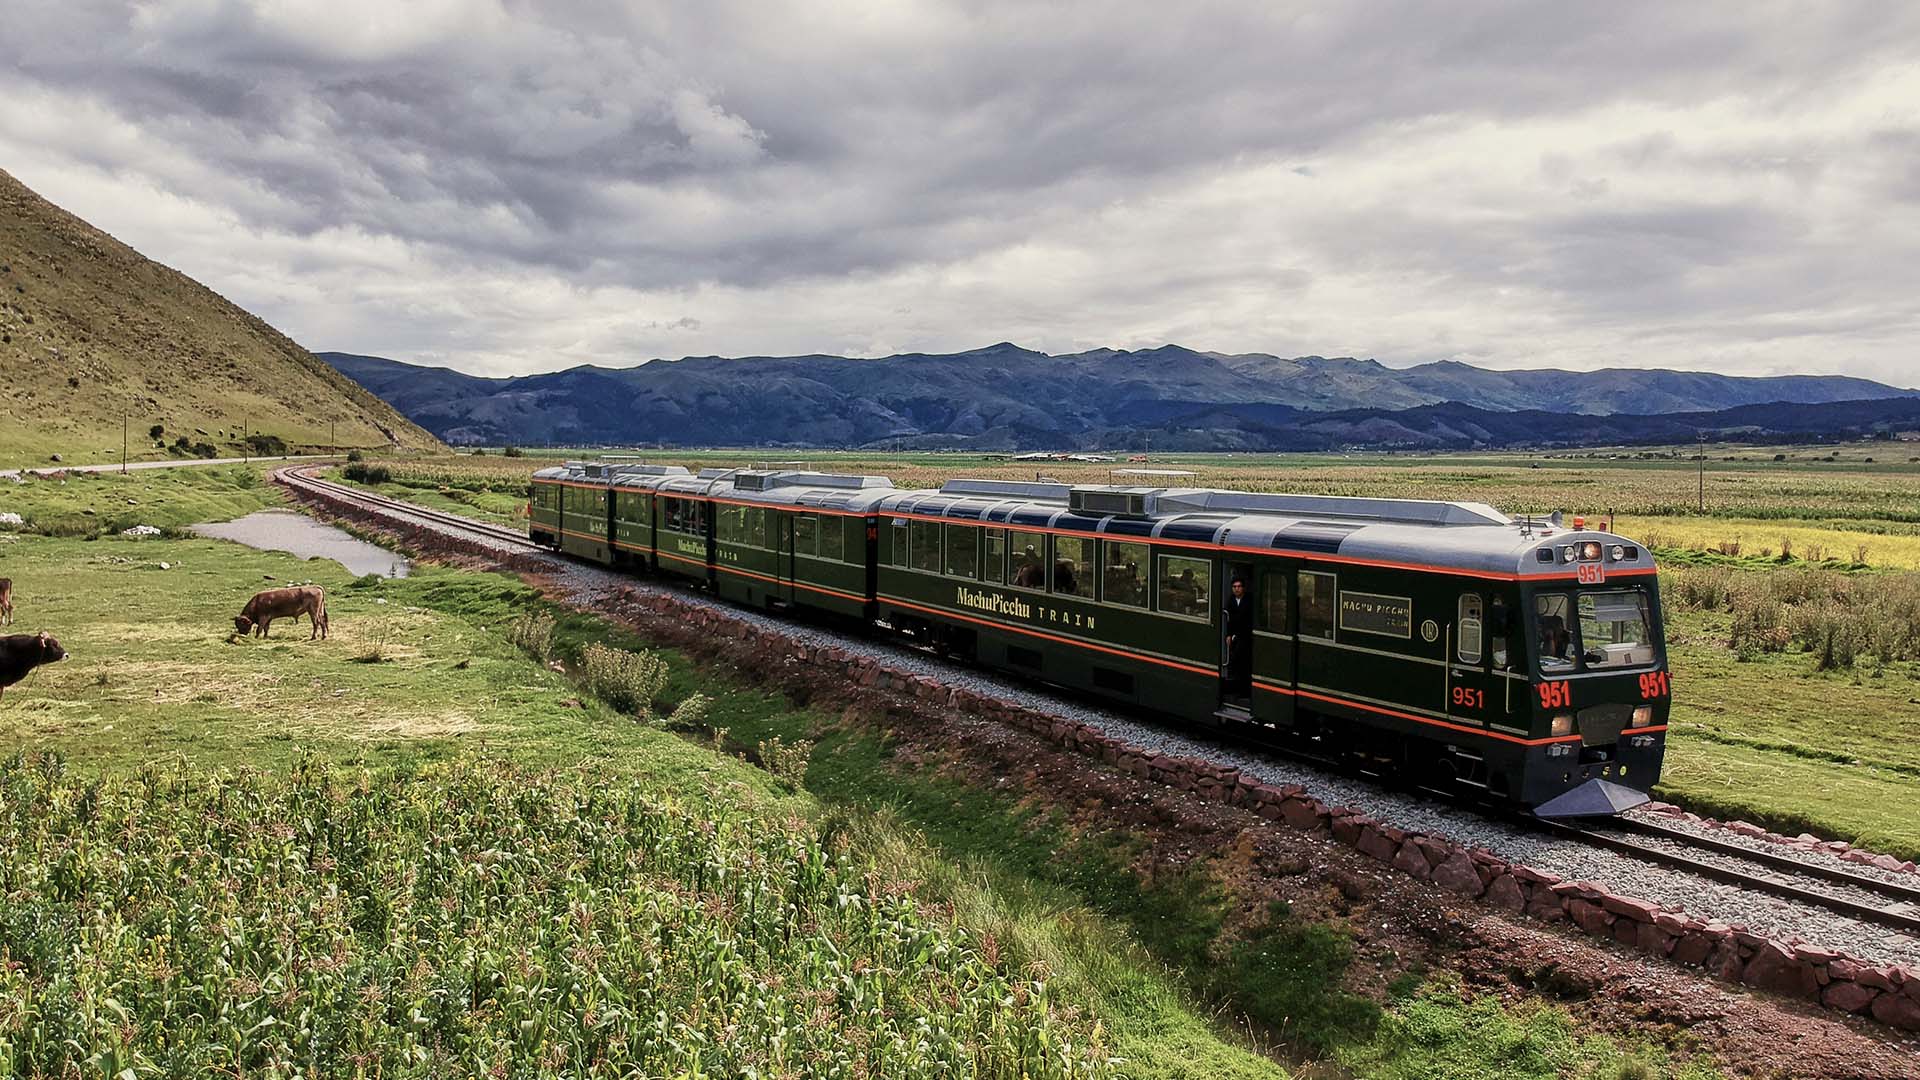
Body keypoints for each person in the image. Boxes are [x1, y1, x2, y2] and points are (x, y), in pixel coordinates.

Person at [1224, 576, 1253, 698]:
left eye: (1239, 586)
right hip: (1235, 636)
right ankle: (1235, 689)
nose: (1236, 589)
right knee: (1234, 662)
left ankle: (1244, 691)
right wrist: (1229, 635)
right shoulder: (1231, 600)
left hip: (1246, 636)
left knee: (1243, 664)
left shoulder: (1249, 600)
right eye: (1234, 587)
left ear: (1243, 588)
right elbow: (1229, 620)